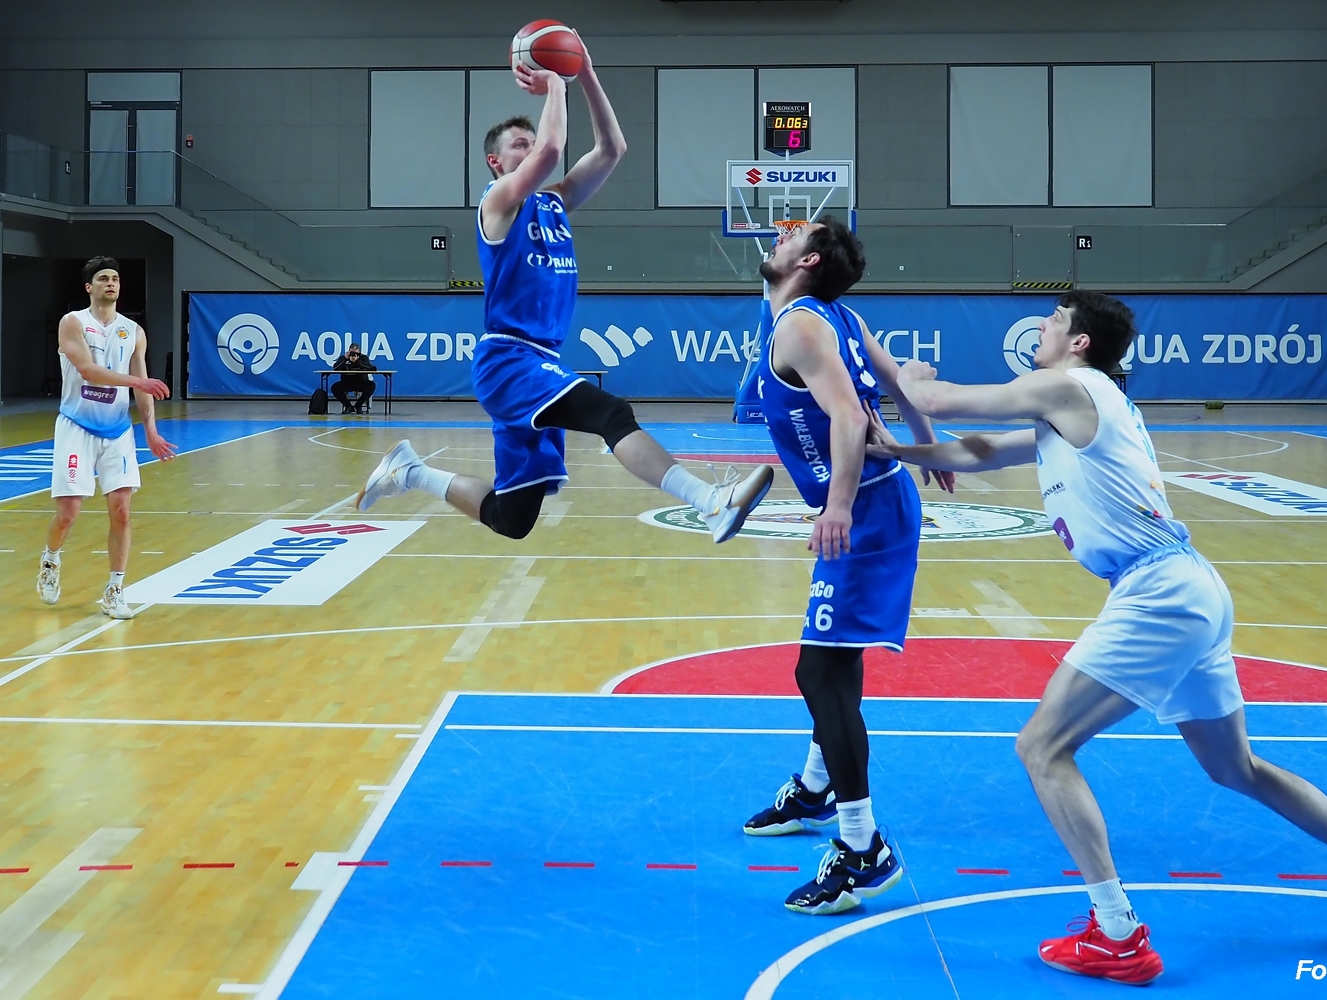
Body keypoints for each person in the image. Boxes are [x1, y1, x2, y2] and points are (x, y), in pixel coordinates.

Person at [868, 290, 1327, 983]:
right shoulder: (1071, 408)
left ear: (1080, 342)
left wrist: (908, 375)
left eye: (1055, 319)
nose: (1043, 325)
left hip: (1159, 593)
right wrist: (900, 448)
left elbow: (942, 401)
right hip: (1188, 588)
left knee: (1042, 748)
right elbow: (981, 449)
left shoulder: (1070, 385)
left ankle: (1115, 933)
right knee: (1235, 768)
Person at [356, 38, 771, 541]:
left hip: (538, 358)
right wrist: (555, 82)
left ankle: (410, 472)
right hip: (509, 359)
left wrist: (587, 73)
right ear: (494, 162)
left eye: (531, 142)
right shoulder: (497, 203)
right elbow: (553, 150)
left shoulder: (553, 202)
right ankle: (710, 501)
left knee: (512, 519)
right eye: (519, 145)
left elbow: (612, 149)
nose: (531, 149)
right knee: (612, 413)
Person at [739, 216, 954, 916]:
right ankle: (813, 789)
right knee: (833, 663)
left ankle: (863, 848)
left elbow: (852, 418)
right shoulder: (838, 316)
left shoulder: (804, 326)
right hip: (872, 501)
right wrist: (928, 445)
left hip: (864, 509)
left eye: (792, 233)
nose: (778, 236)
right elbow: (899, 384)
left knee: (818, 672)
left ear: (806, 261)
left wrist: (835, 507)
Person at [37, 257, 176, 620]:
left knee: (122, 510)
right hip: (77, 426)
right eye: (103, 278)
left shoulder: (134, 331)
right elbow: (88, 371)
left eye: (115, 278)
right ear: (89, 287)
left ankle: (115, 590)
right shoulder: (73, 322)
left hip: (117, 430)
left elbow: (143, 390)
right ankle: (50, 560)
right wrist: (137, 381)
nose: (111, 283)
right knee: (69, 511)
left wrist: (151, 432)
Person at [331, 342, 376, 413]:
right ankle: (348, 406)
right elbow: (335, 368)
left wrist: (357, 361)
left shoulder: (363, 358)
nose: (353, 355)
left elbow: (370, 367)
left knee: (371, 385)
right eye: (352, 353)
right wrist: (345, 359)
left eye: (356, 353)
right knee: (335, 387)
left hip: (361, 383)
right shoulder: (343, 358)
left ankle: (359, 405)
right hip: (346, 383)